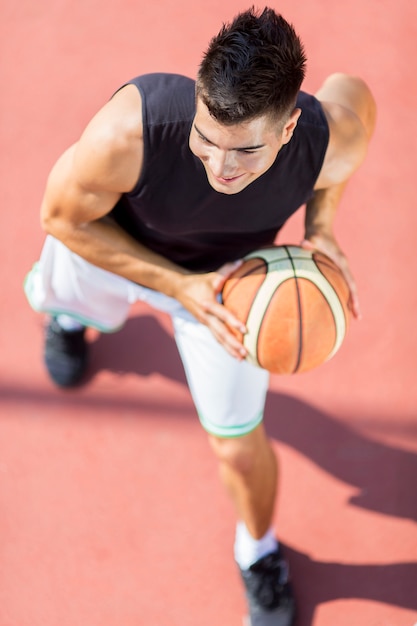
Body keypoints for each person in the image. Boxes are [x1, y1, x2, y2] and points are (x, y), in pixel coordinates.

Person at [24, 7, 376, 625]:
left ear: (289, 129)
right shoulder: (131, 132)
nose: (219, 167)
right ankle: (71, 322)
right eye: (206, 139)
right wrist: (177, 285)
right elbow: (61, 219)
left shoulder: (326, 136)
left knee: (239, 445)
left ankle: (258, 552)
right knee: (66, 298)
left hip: (228, 285)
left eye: (243, 150)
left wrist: (322, 228)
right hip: (110, 248)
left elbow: (358, 96)